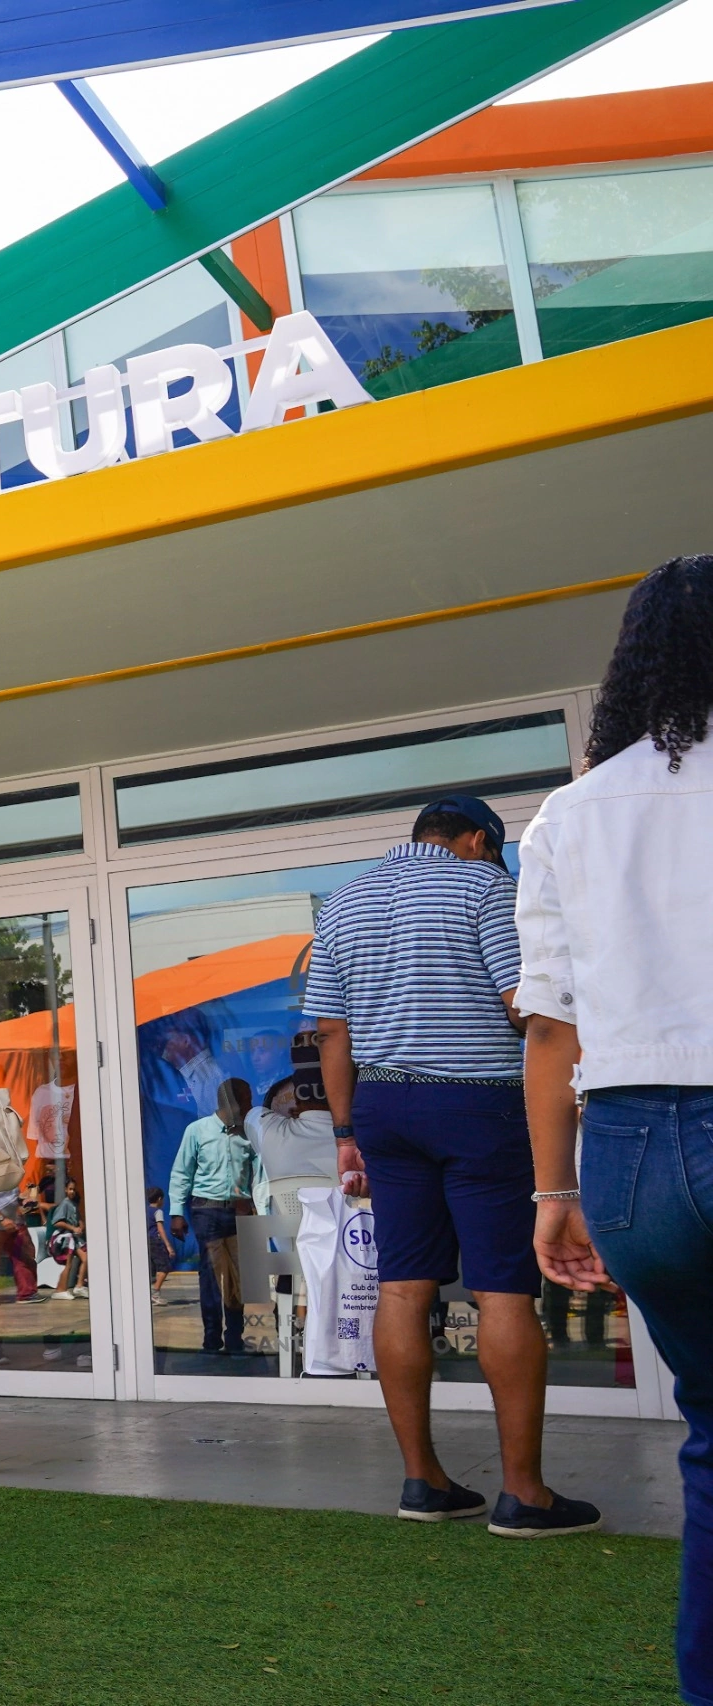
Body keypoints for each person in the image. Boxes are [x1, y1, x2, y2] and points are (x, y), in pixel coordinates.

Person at [519, 557, 713, 1686]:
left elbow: (550, 1027)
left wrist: (555, 1193)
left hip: (631, 1150)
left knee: (711, 1436)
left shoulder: (570, 815)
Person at [308, 794, 595, 1535]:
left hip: (382, 1105)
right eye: (494, 850)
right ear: (475, 840)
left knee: (402, 1288)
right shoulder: (486, 888)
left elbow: (332, 1031)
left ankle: (423, 1482)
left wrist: (345, 1131)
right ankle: (524, 1493)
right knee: (503, 1292)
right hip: (480, 1103)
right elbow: (525, 1007)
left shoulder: (343, 901)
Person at [168, 1077, 259, 1356]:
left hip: (239, 1212)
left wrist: (255, 1204)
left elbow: (258, 1174)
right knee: (210, 1274)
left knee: (238, 1277)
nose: (250, 1106)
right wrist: (176, 1212)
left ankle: (234, 1336)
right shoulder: (197, 1130)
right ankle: (211, 1337)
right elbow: (182, 1172)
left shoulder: (249, 1134)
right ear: (230, 1103)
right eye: (245, 1101)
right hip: (206, 1212)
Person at [251, 1076, 336, 1245]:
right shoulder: (357, 1145)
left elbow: (252, 1116)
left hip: (288, 1252)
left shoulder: (269, 1138)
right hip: (349, 1247)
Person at [47, 1182, 86, 1297]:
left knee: (85, 1258)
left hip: (75, 1238)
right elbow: (56, 1222)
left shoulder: (73, 1204)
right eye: (70, 1189)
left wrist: (80, 1226)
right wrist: (73, 1228)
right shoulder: (64, 1204)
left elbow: (78, 1218)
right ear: (65, 1189)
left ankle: (79, 1286)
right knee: (68, 1264)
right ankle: (60, 1290)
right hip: (66, 1238)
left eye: (73, 1189)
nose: (72, 1192)